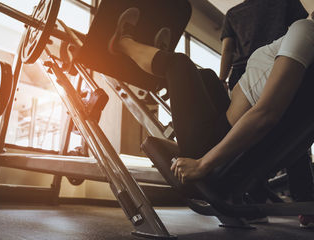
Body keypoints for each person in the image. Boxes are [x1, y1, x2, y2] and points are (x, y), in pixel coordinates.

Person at [108, 1, 314, 226]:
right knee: (206, 77)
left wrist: (203, 164)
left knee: (179, 64)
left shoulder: (305, 31)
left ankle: (122, 43)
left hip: (213, 141)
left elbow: (266, 114)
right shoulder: (305, 36)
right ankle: (160, 58)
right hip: (226, 120)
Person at [219, 0, 308, 91]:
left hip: (242, 72)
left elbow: (228, 49)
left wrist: (222, 80)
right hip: (273, 63)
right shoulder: (283, 2)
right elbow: (301, 27)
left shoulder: (232, 13)